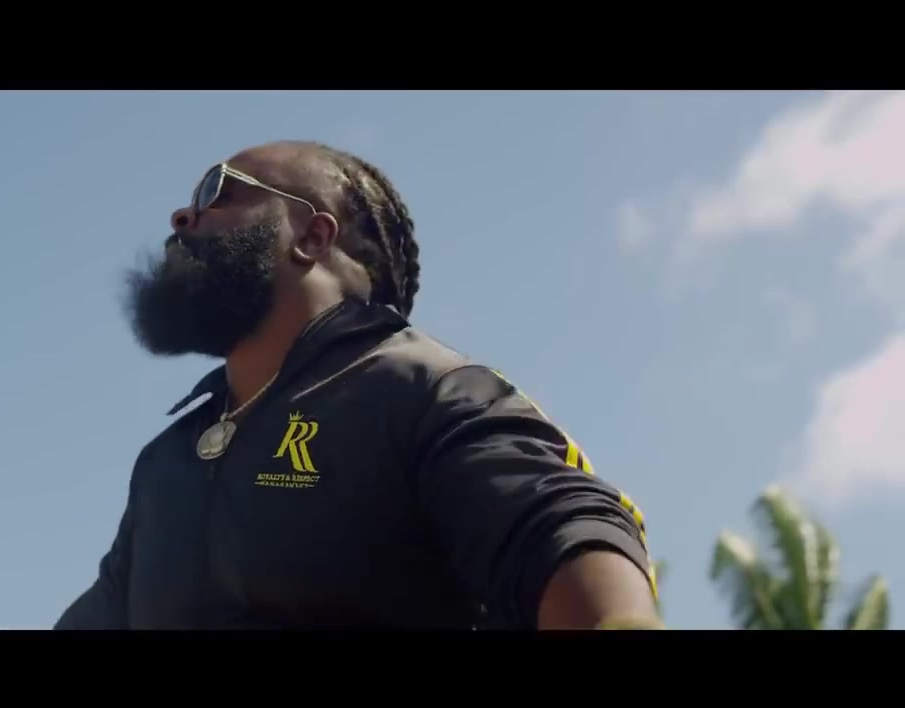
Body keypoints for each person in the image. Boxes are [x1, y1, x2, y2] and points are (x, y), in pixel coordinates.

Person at [54, 141, 661, 630]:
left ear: (313, 237)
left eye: (220, 191)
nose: (184, 215)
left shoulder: (421, 386)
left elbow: (564, 527)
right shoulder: (166, 462)